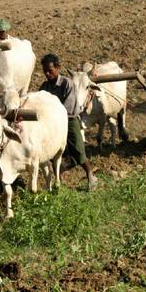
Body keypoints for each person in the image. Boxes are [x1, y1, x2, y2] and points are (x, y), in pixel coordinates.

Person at [39, 53, 98, 191]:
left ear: (58, 68)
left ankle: (90, 175)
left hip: (69, 121)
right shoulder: (44, 86)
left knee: (78, 149)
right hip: (52, 124)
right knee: (54, 153)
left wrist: (51, 116)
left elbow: (68, 108)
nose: (47, 74)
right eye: (45, 71)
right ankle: (58, 183)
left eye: (50, 70)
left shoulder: (67, 84)